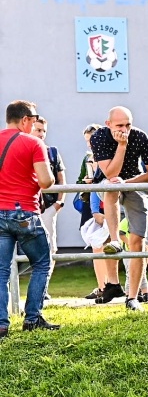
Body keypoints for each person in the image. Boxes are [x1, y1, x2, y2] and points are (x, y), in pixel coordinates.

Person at [90, 106, 148, 309]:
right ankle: (114, 240)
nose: (125, 130)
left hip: (134, 183)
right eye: (119, 125)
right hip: (108, 182)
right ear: (108, 124)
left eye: (128, 124)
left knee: (138, 242)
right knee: (112, 186)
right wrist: (121, 146)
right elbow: (110, 172)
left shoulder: (139, 136)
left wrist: (128, 183)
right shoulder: (100, 137)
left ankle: (133, 297)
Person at [0, 100, 59, 335]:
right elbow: (46, 182)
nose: (34, 124)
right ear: (25, 120)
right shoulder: (34, 143)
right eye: (34, 120)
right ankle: (32, 318)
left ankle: (2, 324)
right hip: (24, 212)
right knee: (43, 263)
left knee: (1, 270)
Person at [27, 117, 65, 301]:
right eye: (37, 130)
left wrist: (59, 203)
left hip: (48, 206)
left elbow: (60, 179)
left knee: (49, 247)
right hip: (26, 205)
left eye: (43, 130)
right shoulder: (24, 148)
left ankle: (44, 289)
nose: (41, 134)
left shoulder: (52, 152)